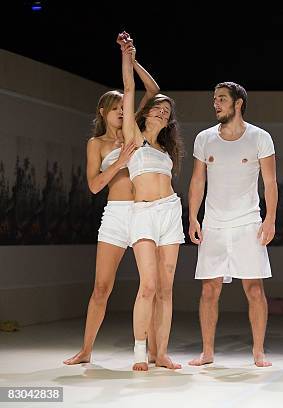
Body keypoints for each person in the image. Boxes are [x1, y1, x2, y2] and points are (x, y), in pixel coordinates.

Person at [63, 33, 159, 365]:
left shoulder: (135, 129)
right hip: (116, 213)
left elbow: (152, 90)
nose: (122, 112)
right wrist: (120, 160)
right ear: (104, 111)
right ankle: (86, 349)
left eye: (124, 107)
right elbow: (93, 186)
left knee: (152, 286)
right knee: (101, 288)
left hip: (144, 211)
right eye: (116, 108)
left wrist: (131, 60)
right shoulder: (97, 144)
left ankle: (152, 350)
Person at [187, 82, 277, 367]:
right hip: (213, 224)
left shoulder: (260, 137)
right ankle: (207, 352)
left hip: (248, 223)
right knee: (209, 290)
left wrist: (271, 219)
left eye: (222, 99)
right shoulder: (204, 138)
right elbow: (198, 180)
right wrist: (192, 216)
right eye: (214, 99)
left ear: (238, 104)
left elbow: (270, 182)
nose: (216, 104)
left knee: (254, 289)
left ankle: (259, 351)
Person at [120, 32, 185, 371]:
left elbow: (157, 92)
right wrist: (129, 57)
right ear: (146, 114)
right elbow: (135, 88)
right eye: (158, 108)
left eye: (167, 111)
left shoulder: (165, 150)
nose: (162, 112)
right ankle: (139, 351)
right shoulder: (133, 135)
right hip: (143, 213)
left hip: (170, 212)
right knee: (147, 285)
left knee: (166, 288)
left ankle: (162, 352)